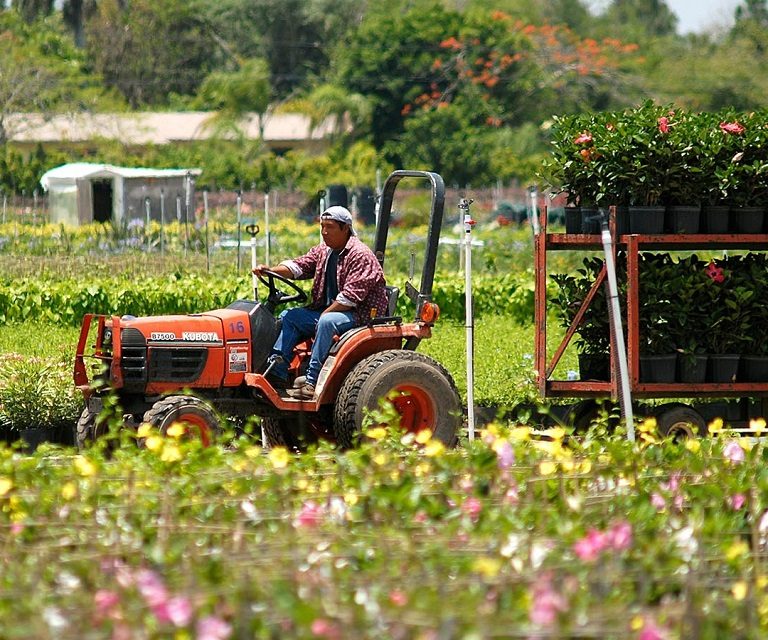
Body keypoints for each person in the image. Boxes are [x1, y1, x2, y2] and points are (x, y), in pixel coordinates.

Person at [253, 205, 388, 400]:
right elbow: (299, 266)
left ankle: (311, 381)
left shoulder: (361, 255)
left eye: (330, 227)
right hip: (331, 310)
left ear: (345, 228)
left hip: (359, 314)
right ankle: (277, 371)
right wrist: (271, 270)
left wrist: (325, 314)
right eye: (322, 226)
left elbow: (350, 297)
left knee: (327, 322)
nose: (324, 232)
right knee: (289, 316)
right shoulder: (325, 251)